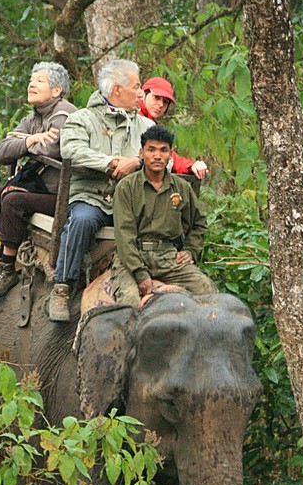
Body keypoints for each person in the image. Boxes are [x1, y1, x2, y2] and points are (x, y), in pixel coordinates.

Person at [49, 59, 153, 322]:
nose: (141, 93)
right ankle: (62, 287)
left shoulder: (146, 126)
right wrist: (111, 163)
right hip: (91, 196)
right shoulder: (81, 119)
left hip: (130, 201)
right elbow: (71, 150)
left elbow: (167, 158)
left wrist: (138, 162)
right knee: (82, 220)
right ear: (117, 90)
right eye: (137, 86)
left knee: (162, 220)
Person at [0, 62, 76, 299]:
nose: (31, 84)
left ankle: (7, 266)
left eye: (39, 81)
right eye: (31, 80)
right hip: (35, 187)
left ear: (56, 91)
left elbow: (52, 148)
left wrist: (25, 143)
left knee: (12, 199)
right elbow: (2, 152)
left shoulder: (65, 113)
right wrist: (30, 140)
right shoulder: (32, 119)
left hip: (58, 194)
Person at [111, 125, 216, 306]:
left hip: (167, 257)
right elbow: (124, 233)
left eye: (163, 150)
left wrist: (191, 250)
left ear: (170, 154)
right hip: (133, 257)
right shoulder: (126, 187)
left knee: (207, 290)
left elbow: (198, 223)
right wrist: (139, 272)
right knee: (129, 303)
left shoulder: (181, 187)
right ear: (141, 153)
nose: (157, 156)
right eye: (151, 150)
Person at [139, 76, 208, 180]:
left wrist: (191, 165)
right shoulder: (135, 118)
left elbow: (168, 156)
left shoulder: (150, 122)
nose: (160, 104)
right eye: (156, 97)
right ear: (143, 94)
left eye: (165, 102)